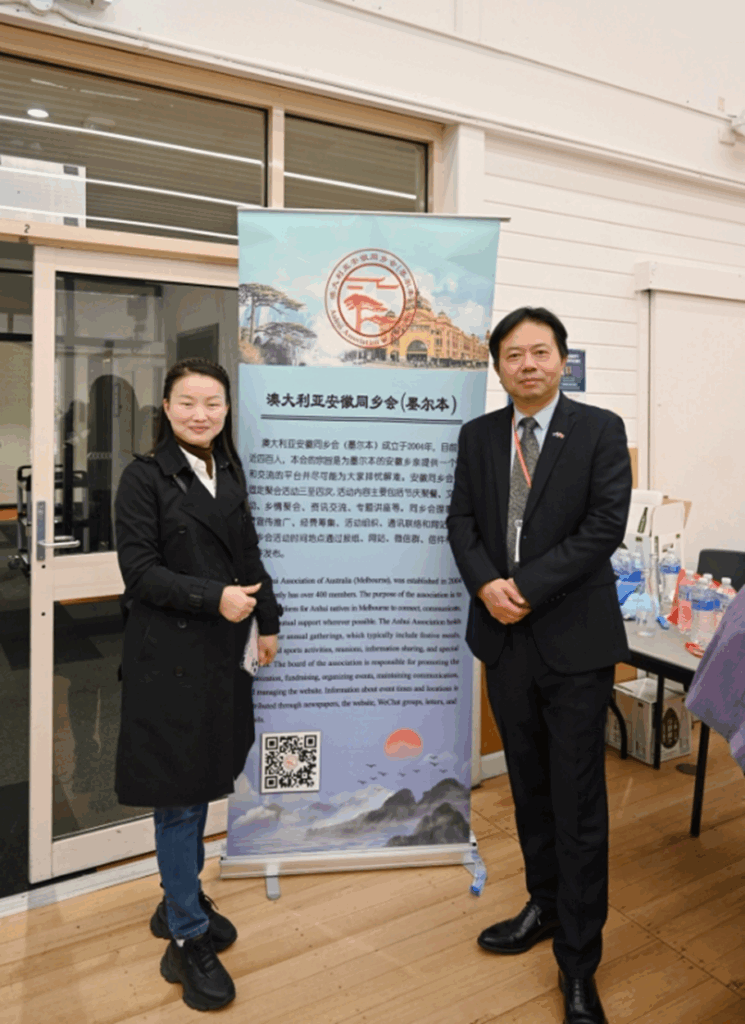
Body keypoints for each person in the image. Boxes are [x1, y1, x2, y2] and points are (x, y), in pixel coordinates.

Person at [447, 308, 631, 1024]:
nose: (528, 364)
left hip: (573, 642)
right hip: (505, 641)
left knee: (577, 802)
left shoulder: (598, 429)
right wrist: (485, 585)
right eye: (513, 355)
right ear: (497, 365)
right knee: (528, 789)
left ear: (561, 359)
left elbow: (602, 527)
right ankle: (544, 906)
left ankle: (579, 962)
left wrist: (523, 586)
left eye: (540, 352)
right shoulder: (478, 436)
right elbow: (461, 522)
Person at [114, 357, 280, 1012]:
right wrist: (215, 599)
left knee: (208, 775)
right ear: (165, 406)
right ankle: (185, 936)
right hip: (168, 661)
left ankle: (177, 897)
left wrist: (268, 620)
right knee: (180, 798)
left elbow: (249, 554)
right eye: (187, 402)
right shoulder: (142, 477)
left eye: (213, 403)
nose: (200, 414)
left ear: (227, 409)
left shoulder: (227, 470)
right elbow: (139, 572)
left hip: (222, 654)